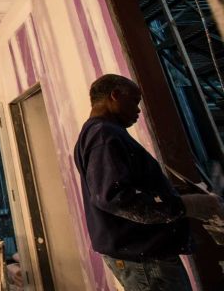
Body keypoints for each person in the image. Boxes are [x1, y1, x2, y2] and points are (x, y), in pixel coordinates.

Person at [74, 74, 224, 291]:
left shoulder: (101, 134)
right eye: (134, 101)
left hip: (143, 256)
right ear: (115, 95)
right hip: (145, 260)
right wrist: (185, 206)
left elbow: (125, 188)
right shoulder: (103, 135)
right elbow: (116, 198)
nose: (138, 111)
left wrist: (177, 195)